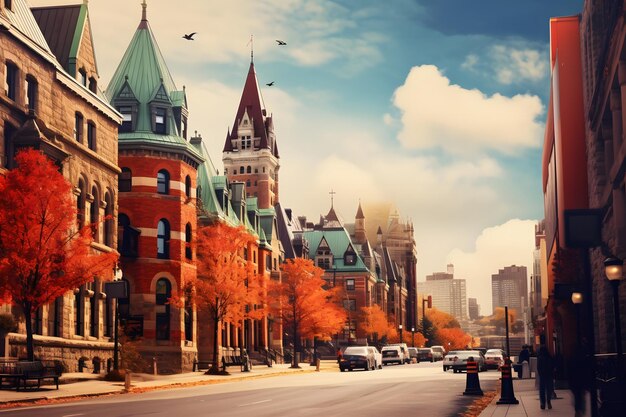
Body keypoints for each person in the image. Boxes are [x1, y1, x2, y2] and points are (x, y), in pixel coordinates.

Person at [537, 345, 555, 410]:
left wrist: (540, 374)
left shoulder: (540, 358)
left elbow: (538, 367)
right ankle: (549, 401)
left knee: (542, 390)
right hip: (549, 375)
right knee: (549, 389)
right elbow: (553, 366)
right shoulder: (549, 357)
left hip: (542, 376)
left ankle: (543, 403)